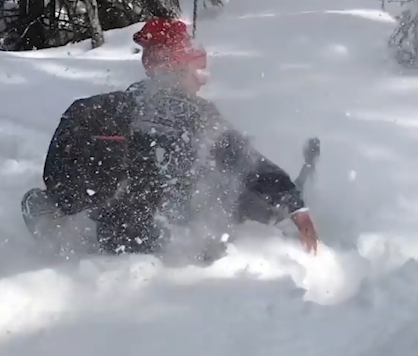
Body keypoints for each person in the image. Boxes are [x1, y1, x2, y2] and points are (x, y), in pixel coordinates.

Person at [22, 17, 319, 258]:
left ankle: (57, 219)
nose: (202, 80)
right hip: (163, 239)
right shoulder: (196, 115)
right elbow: (241, 158)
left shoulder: (124, 102)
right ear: (176, 69)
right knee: (228, 189)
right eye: (197, 70)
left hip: (116, 230)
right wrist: (294, 203)